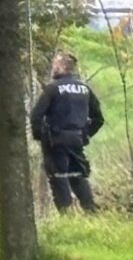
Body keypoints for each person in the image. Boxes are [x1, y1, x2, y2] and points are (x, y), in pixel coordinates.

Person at [29, 51, 104, 213]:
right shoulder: (85, 89)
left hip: (55, 141)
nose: (53, 67)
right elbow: (98, 119)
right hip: (77, 141)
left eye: (55, 64)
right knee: (78, 176)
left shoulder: (53, 89)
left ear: (62, 67)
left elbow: (36, 116)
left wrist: (40, 136)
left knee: (58, 178)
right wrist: (85, 135)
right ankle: (91, 212)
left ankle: (67, 215)